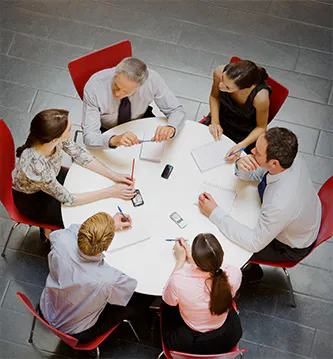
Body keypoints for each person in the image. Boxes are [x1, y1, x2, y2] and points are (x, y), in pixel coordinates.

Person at [198, 127, 322, 281]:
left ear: (274, 163)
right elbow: (257, 174)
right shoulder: (289, 159)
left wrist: (214, 212)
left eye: (258, 153)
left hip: (289, 246)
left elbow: (254, 242)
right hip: (302, 214)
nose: (252, 151)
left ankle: (248, 272)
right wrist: (240, 164)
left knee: (223, 240)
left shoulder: (280, 203)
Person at [12, 109, 135, 236]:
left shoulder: (54, 138)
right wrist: (112, 191)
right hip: (35, 200)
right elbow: (69, 199)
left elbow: (79, 154)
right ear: (55, 139)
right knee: (80, 216)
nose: (72, 129)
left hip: (52, 178)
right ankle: (49, 232)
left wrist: (114, 175)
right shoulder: (36, 166)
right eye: (69, 129)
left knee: (91, 185)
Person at [40, 211, 154, 344]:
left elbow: (75, 230)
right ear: (107, 245)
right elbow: (124, 295)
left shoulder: (60, 239)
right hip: (77, 331)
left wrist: (108, 225)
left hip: (48, 307)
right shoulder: (110, 280)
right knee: (141, 299)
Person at [161, 234, 242, 354]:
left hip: (191, 343)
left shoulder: (179, 280)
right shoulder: (234, 273)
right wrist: (195, 259)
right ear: (222, 254)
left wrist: (180, 260)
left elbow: (168, 299)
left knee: (166, 307)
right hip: (227, 337)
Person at [82, 57, 186, 149]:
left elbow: (176, 110)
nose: (117, 94)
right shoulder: (94, 87)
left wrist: (171, 127)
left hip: (140, 119)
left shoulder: (152, 81)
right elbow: (89, 136)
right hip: (108, 129)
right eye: (116, 86)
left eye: (126, 92)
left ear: (139, 86)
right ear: (115, 74)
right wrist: (113, 140)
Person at [205, 60, 271, 161]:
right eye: (222, 78)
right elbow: (215, 97)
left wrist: (242, 145)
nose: (220, 85)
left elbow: (261, 127)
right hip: (221, 118)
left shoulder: (260, 97)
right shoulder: (219, 72)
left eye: (227, 87)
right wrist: (215, 122)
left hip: (243, 133)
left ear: (243, 89)